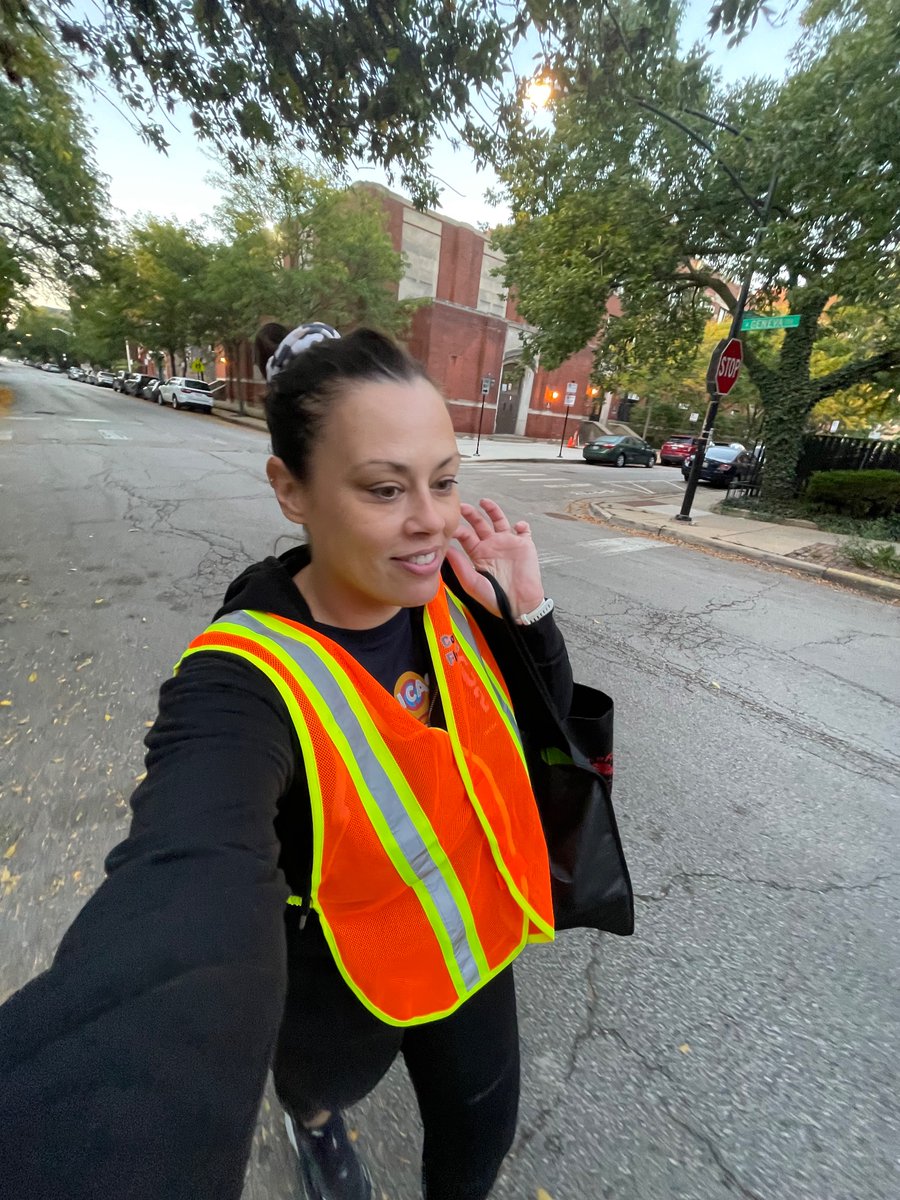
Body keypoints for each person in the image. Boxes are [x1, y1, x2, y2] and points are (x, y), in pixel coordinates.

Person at [0, 322, 573, 1200]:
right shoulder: (242, 678)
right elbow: (183, 879)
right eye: (386, 488)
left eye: (445, 480)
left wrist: (526, 610)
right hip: (339, 978)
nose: (432, 520)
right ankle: (313, 1124)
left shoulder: (454, 592)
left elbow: (546, 737)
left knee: (480, 1133)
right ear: (290, 489)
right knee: (320, 1092)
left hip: (471, 940)